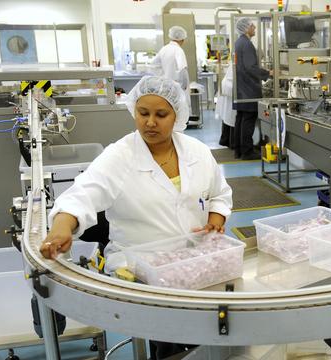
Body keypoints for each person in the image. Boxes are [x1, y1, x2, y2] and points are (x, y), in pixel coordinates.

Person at [40, 76, 232, 359]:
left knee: (218, 329)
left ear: (177, 115)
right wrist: (61, 226)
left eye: (160, 114)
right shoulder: (120, 156)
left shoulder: (197, 152)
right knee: (175, 342)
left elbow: (219, 193)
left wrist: (216, 218)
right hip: (140, 268)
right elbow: (82, 194)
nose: (150, 122)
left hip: (195, 263)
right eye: (143, 113)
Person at [233, 17, 272, 160]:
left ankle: (239, 150)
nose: (254, 27)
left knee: (241, 119)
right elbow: (250, 67)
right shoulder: (247, 44)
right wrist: (268, 73)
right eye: (252, 26)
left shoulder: (238, 42)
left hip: (241, 88)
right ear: (246, 28)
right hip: (249, 88)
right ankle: (247, 152)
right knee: (248, 119)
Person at [153, 26, 190, 91]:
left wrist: (162, 78)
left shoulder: (164, 49)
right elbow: (182, 69)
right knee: (179, 101)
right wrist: (184, 87)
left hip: (165, 86)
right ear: (182, 39)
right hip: (177, 87)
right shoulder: (178, 50)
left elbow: (154, 66)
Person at [217, 63, 237, 148]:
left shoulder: (237, 58)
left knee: (227, 116)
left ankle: (225, 140)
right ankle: (232, 142)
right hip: (231, 88)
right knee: (232, 117)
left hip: (228, 87)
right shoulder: (240, 60)